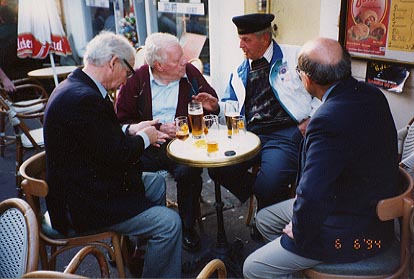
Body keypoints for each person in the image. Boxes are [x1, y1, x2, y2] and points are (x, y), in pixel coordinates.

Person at [243, 37, 399, 278]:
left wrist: (301, 229)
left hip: (352, 231)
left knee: (252, 268)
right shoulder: (371, 94)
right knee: (264, 219)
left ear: (308, 78)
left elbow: (313, 192)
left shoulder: (326, 120)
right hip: (366, 209)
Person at [43, 31, 182, 278]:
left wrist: (130, 128)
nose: (127, 80)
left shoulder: (73, 87)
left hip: (82, 187)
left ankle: (144, 253)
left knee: (156, 182)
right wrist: (145, 138)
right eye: (128, 73)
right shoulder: (84, 99)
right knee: (169, 223)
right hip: (84, 204)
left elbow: (96, 135)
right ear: (113, 63)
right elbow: (117, 155)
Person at [116, 32, 219, 252]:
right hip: (146, 144)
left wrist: (214, 106)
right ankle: (140, 228)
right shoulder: (137, 80)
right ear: (159, 65)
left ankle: (187, 226)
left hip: (182, 143)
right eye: (176, 59)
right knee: (127, 169)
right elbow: (121, 121)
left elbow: (212, 103)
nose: (185, 61)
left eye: (182, 56)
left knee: (189, 172)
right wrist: (152, 128)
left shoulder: (189, 73)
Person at [208, 13, 320, 212]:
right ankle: (265, 199)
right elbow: (232, 107)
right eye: (240, 40)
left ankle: (266, 213)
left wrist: (312, 117)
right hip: (249, 134)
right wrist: (217, 107)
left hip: (285, 134)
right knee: (218, 168)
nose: (241, 46)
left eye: (246, 40)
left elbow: (323, 89)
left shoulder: (295, 57)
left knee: (270, 182)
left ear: (265, 38)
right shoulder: (239, 71)